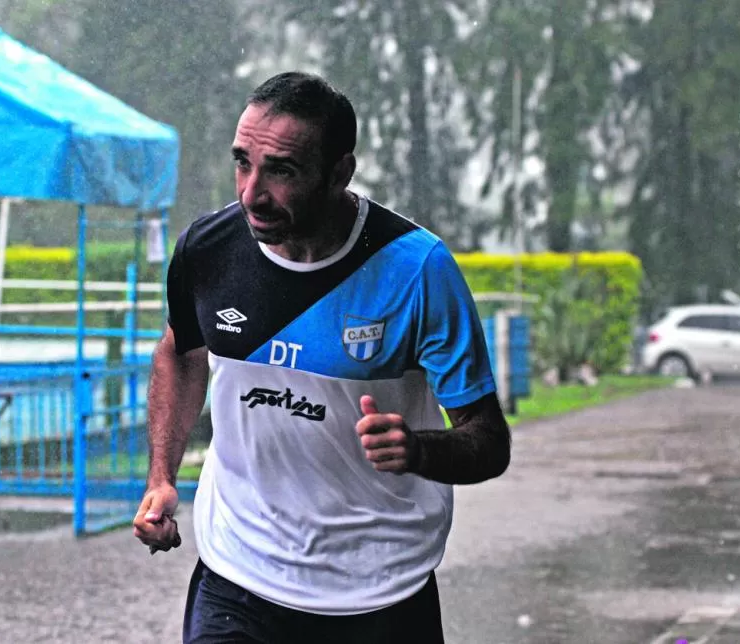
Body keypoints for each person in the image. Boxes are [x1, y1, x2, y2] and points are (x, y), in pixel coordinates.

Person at [133, 71, 512, 644]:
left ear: (339, 173)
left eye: (281, 171)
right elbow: (179, 352)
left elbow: (489, 441)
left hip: (379, 587)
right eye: (242, 163)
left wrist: (416, 449)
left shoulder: (418, 270)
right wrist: (161, 476)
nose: (251, 193)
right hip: (239, 574)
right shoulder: (207, 250)